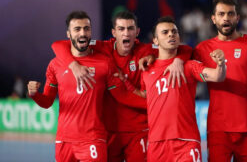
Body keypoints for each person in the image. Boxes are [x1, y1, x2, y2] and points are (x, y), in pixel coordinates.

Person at [51, 11, 192, 162]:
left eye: (130, 28)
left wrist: (178, 61)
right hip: (110, 132)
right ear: (113, 32)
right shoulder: (102, 47)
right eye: (121, 29)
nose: (126, 33)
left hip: (139, 131)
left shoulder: (146, 50)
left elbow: (186, 49)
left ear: (137, 32)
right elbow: (58, 45)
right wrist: (73, 65)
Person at [27, 11, 146, 162]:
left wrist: (155, 104)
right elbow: (47, 101)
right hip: (64, 140)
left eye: (86, 28)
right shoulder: (55, 65)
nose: (83, 33)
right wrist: (34, 95)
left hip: (93, 139)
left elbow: (122, 96)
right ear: (68, 34)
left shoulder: (104, 64)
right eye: (77, 29)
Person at [193, 0, 247, 162]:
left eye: (231, 14)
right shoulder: (202, 49)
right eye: (221, 14)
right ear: (213, 18)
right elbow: (183, 62)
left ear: (237, 17)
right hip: (218, 131)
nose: (226, 18)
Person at [140, 16, 226, 162]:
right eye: (165, 32)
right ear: (155, 40)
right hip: (157, 144)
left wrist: (221, 64)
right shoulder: (147, 70)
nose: (171, 35)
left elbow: (218, 76)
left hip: (186, 142)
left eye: (174, 32)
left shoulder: (190, 66)